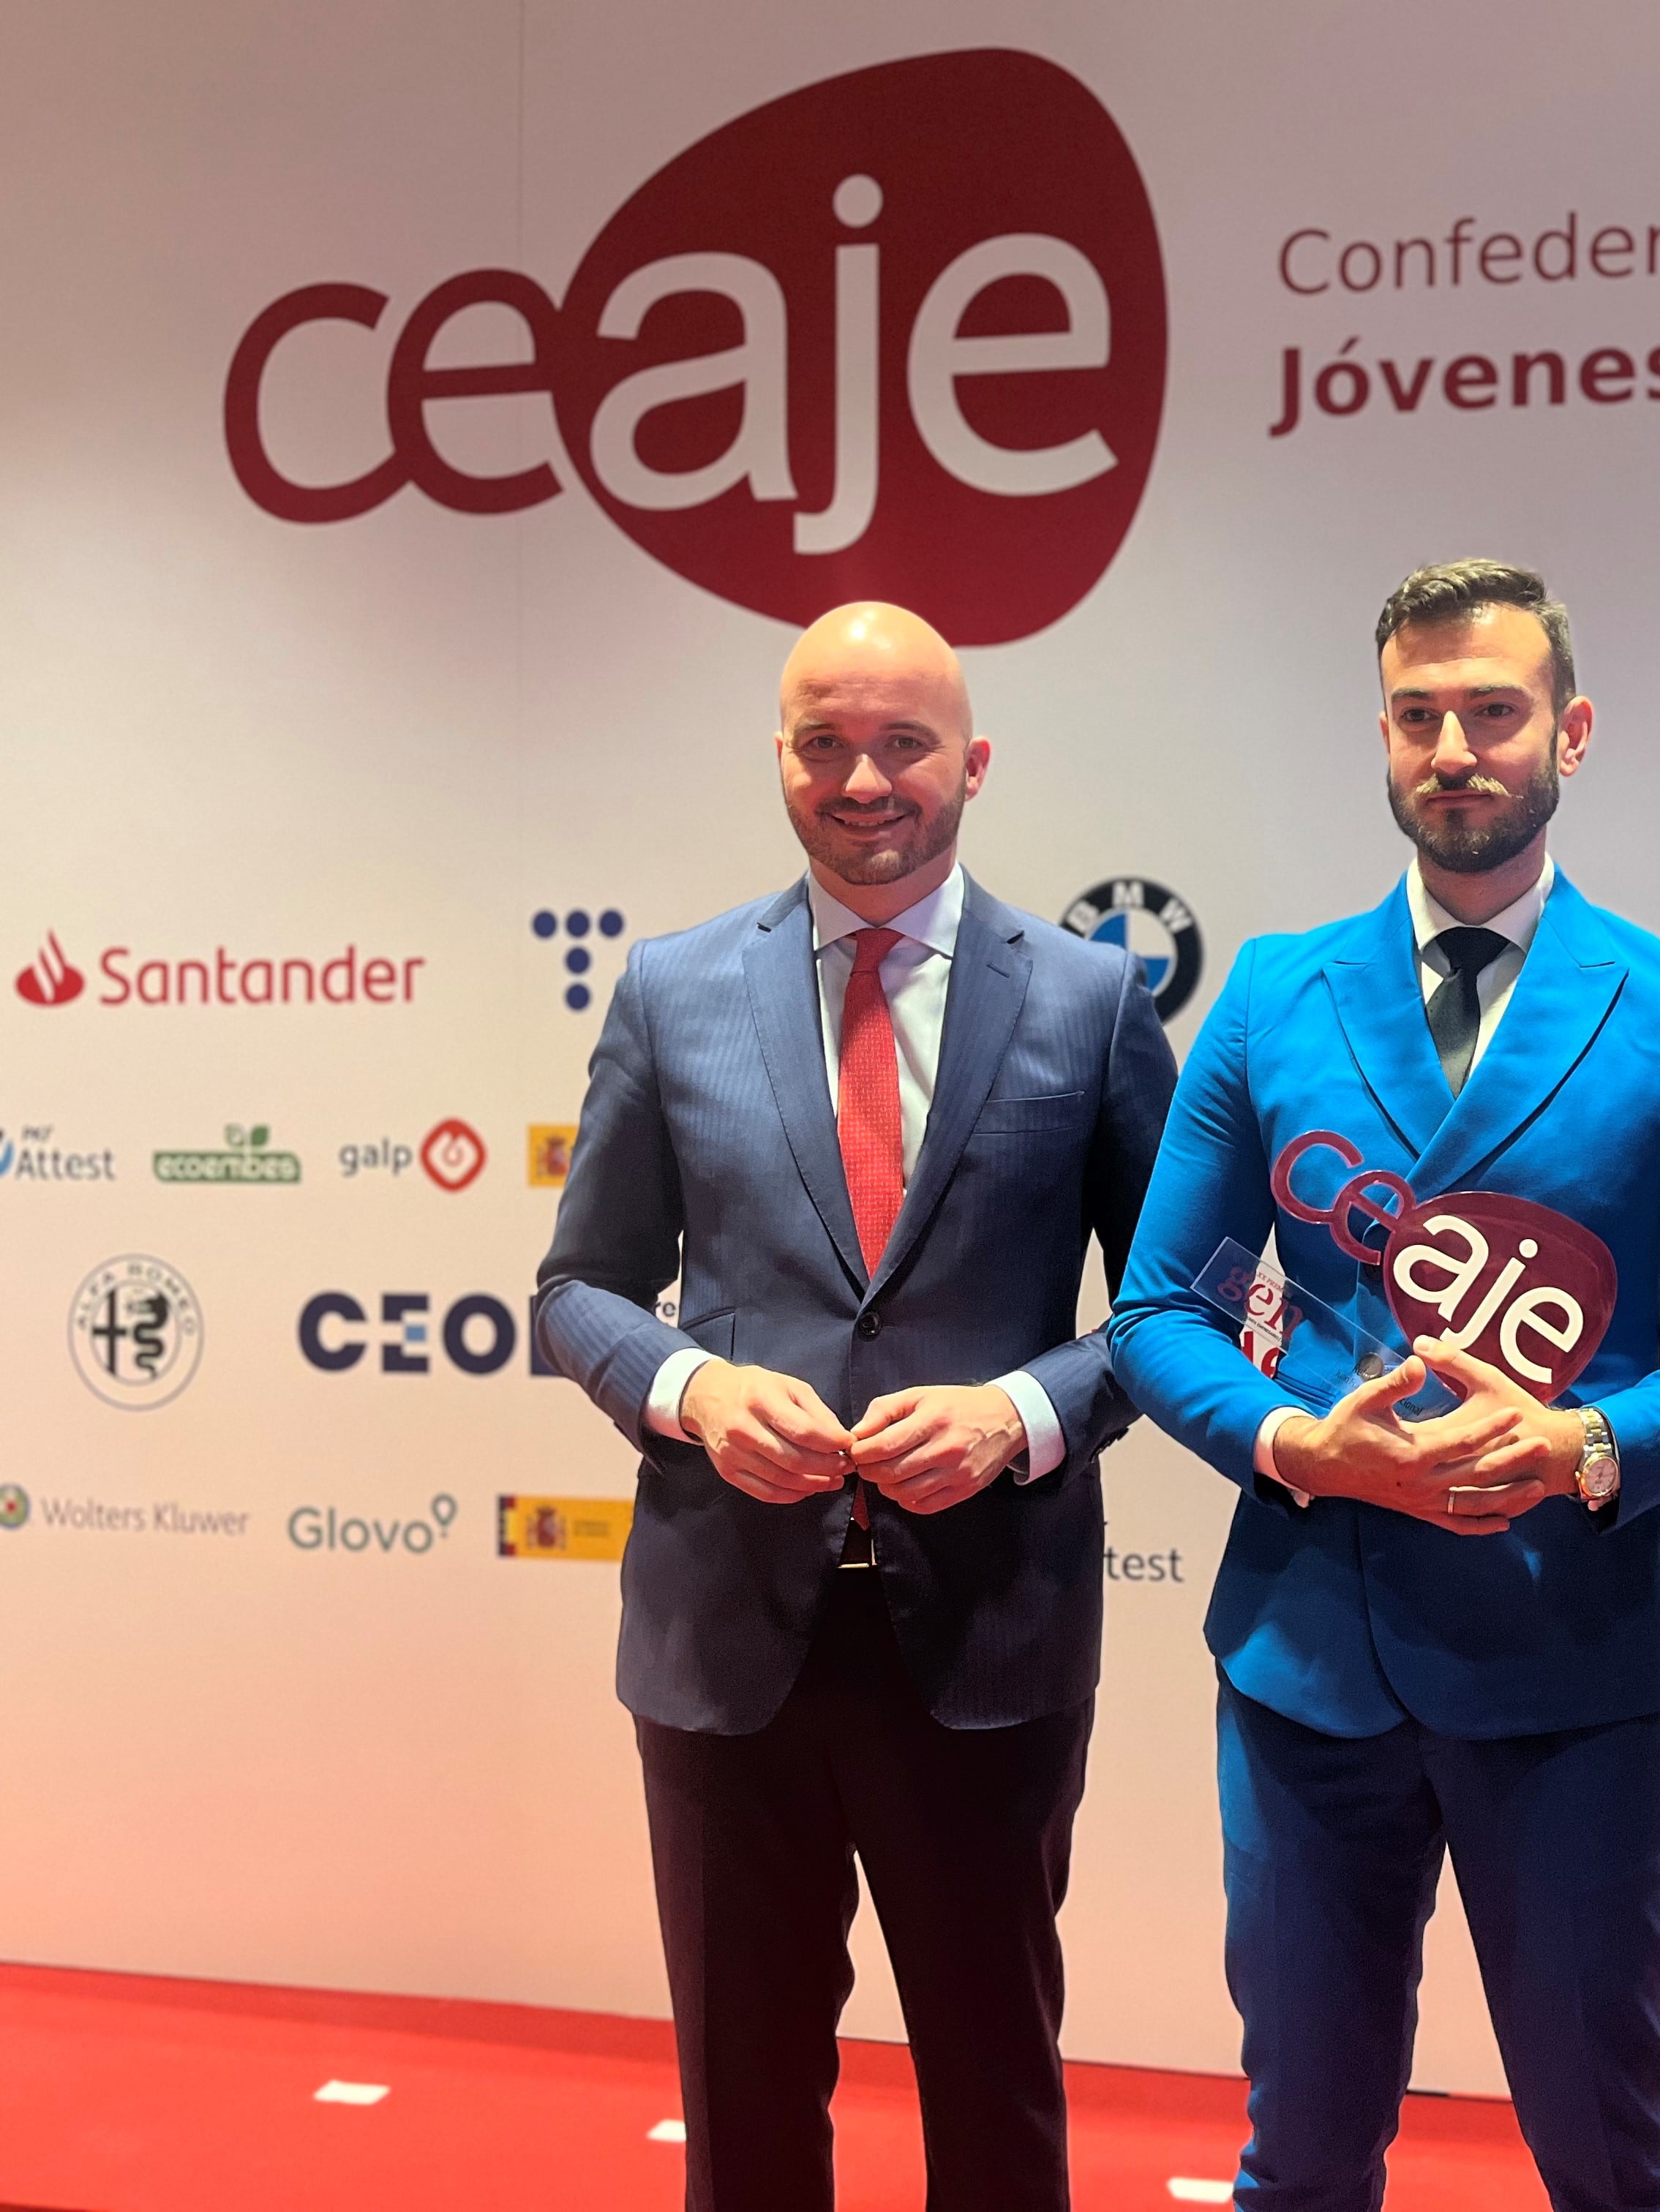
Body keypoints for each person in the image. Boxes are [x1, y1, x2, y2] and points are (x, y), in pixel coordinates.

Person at [1108, 560, 1660, 2212]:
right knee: (1304, 2156)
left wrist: (1589, 1439)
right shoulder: (1275, 994)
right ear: (1384, 737)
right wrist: (1294, 1442)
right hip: (1305, 1671)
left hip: (1575, 1671)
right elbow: (1157, 1311)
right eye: (1418, 716)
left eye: (1494, 712)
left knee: (1610, 2150)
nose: (1455, 748)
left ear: (1570, 732)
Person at [530, 602, 1176, 2212]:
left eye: (901, 741)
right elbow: (577, 1288)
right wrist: (685, 1386)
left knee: (996, 2099)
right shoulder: (672, 993)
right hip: (725, 1636)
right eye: (825, 742)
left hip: (990, 1638)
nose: (864, 776)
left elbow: (1189, 1304)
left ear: (973, 759)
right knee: (743, 2113)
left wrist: (1024, 1413)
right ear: (782, 758)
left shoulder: (1094, 1003)